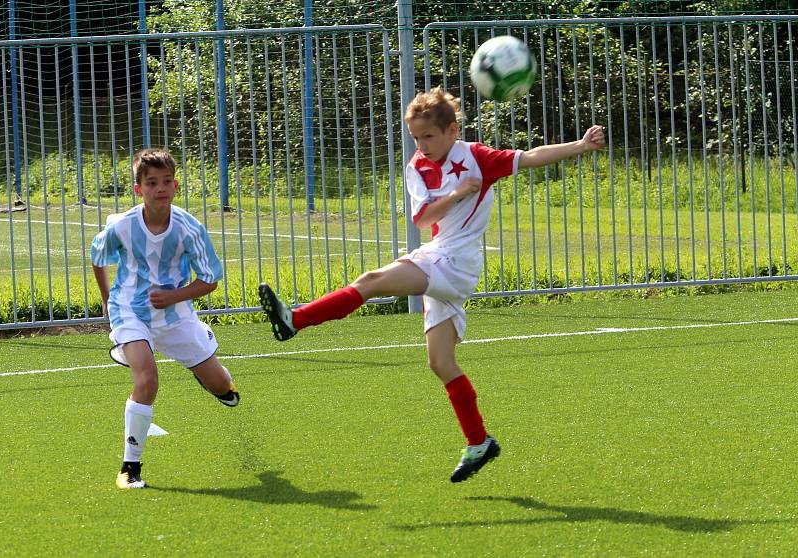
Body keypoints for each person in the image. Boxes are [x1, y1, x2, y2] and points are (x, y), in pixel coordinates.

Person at [259, 87, 606, 483]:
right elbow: (422, 219)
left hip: (455, 261)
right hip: (438, 252)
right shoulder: (417, 167)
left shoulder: (475, 157)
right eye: (416, 137)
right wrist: (458, 193)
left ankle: (296, 320)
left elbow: (529, 158)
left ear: (452, 130)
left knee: (372, 281)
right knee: (441, 363)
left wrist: (580, 145)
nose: (422, 144)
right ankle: (479, 442)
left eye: (429, 136)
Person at [91, 147, 239, 489]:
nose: (160, 188)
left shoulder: (189, 229)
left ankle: (203, 350)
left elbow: (210, 279)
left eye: (167, 181)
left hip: (175, 315)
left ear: (175, 187)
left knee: (225, 391)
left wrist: (175, 296)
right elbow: (97, 255)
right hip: (130, 309)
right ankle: (130, 468)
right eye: (152, 182)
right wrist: (107, 298)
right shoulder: (124, 226)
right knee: (147, 378)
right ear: (138, 189)